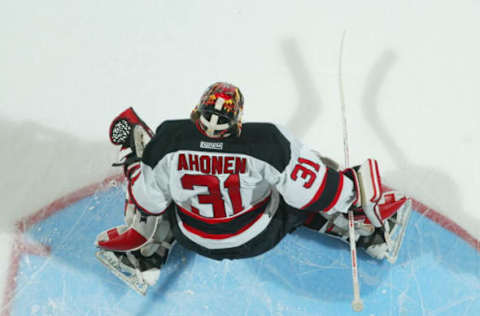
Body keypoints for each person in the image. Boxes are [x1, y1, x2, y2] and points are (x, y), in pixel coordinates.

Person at [95, 82, 411, 294]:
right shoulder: (268, 142)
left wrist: (137, 160)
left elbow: (149, 201)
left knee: (166, 194)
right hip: (256, 237)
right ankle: (361, 229)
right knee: (304, 190)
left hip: (191, 236)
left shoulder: (168, 138)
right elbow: (313, 190)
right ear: (238, 120)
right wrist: (351, 191)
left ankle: (145, 255)